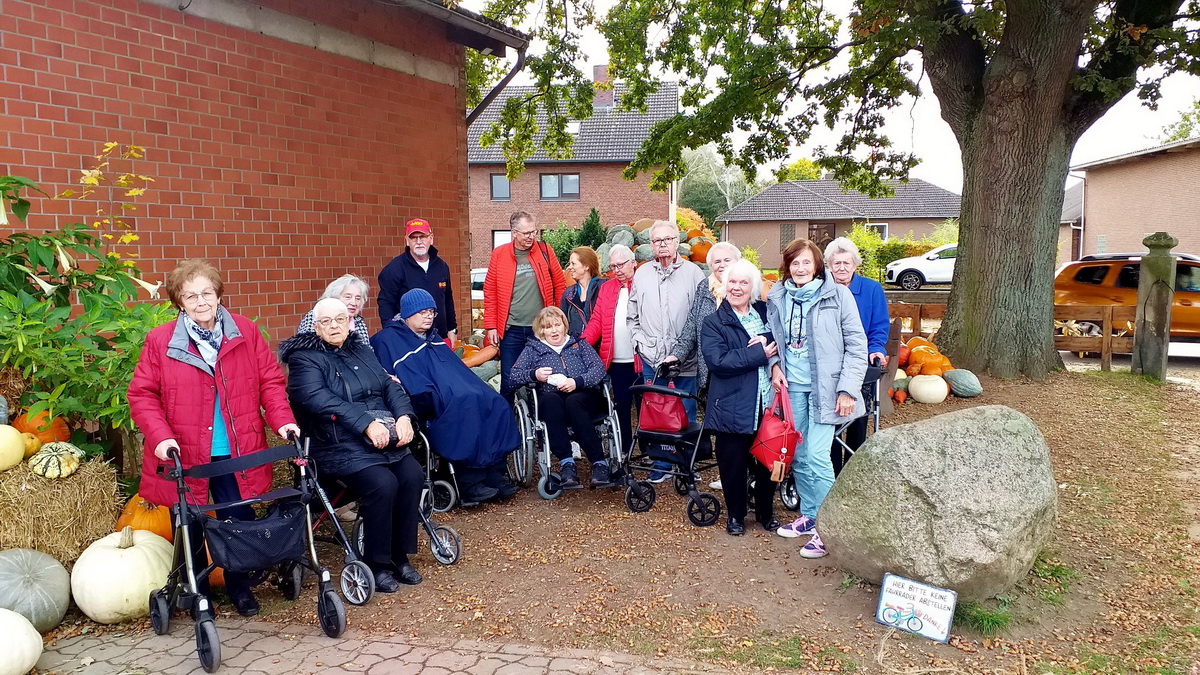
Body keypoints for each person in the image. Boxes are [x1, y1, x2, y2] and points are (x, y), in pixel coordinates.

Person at [128, 259, 300, 617]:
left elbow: (270, 382)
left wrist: (283, 421)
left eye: (206, 292)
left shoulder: (245, 331)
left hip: (238, 449)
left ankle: (240, 588)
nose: (200, 301)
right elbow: (142, 394)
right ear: (179, 302)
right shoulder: (161, 341)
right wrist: (160, 437)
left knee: (237, 518)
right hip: (186, 452)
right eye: (190, 296)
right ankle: (197, 592)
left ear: (219, 294)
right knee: (189, 524)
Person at [279, 298, 424, 592]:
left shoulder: (360, 348)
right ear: (316, 326)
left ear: (350, 322)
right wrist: (365, 423)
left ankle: (399, 556)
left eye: (340, 319)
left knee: (412, 475)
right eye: (326, 321)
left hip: (380, 437)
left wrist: (405, 417)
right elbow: (319, 399)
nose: (334, 326)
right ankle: (377, 563)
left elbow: (388, 385)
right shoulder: (303, 358)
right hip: (334, 443)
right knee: (382, 484)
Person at [766, 238, 867, 559]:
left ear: (817, 265)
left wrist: (848, 389)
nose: (800, 268)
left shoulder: (837, 295)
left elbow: (856, 344)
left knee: (817, 454)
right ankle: (809, 515)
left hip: (828, 389)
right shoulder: (778, 296)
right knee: (796, 454)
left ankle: (828, 527)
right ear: (787, 266)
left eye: (806, 262)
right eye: (795, 263)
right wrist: (774, 366)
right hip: (792, 387)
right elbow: (774, 339)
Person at [372, 288, 519, 503]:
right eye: (423, 312)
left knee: (495, 402)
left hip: (456, 390)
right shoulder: (388, 340)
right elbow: (399, 378)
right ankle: (468, 481)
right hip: (425, 398)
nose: (429, 316)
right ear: (408, 313)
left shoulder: (432, 338)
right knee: (465, 405)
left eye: (432, 311)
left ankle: (494, 473)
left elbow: (453, 370)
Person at [700, 259, 781, 536]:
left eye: (743, 282)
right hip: (732, 403)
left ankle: (765, 512)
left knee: (768, 461)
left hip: (766, 401)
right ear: (724, 286)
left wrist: (767, 338)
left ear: (753, 287)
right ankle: (735, 514)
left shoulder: (766, 313)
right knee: (732, 464)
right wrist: (762, 353)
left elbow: (782, 337)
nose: (737, 287)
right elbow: (719, 361)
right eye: (732, 282)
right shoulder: (713, 323)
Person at [627, 220, 706, 482]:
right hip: (652, 356)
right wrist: (638, 342)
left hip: (686, 357)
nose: (662, 245)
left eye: (667, 239)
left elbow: (700, 318)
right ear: (650, 245)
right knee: (657, 412)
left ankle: (685, 466)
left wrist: (689, 349)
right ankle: (661, 463)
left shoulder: (694, 273)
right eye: (657, 240)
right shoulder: (642, 274)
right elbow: (632, 315)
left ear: (677, 242)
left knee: (685, 411)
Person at [510, 307, 610, 488]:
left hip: (583, 394)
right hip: (551, 396)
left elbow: (599, 369)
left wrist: (577, 381)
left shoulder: (579, 344)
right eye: (548, 327)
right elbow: (514, 376)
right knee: (550, 401)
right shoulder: (533, 349)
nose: (554, 330)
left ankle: (599, 463)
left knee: (574, 402)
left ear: (564, 326)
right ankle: (567, 463)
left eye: (557, 325)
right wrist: (535, 374)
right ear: (541, 330)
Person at [484, 211, 568, 397]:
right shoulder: (499, 255)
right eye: (526, 233)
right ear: (514, 233)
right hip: (511, 329)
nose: (531, 237)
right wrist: (490, 326)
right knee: (508, 380)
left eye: (534, 232)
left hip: (540, 329)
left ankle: (539, 421)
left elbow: (559, 283)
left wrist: (557, 316)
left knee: (543, 377)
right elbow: (490, 291)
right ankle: (508, 422)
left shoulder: (545, 251)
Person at [825, 237, 890, 474]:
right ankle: (830, 471)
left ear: (855, 264)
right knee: (829, 419)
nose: (841, 267)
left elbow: (880, 326)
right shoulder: (822, 288)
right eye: (836, 263)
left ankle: (852, 471)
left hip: (859, 362)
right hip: (829, 363)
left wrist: (876, 349)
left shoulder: (871, 289)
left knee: (857, 418)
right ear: (829, 265)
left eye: (846, 263)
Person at [580, 244, 638, 460]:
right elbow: (597, 320)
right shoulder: (607, 288)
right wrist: (582, 344)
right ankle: (626, 449)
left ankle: (651, 450)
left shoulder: (642, 284)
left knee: (646, 406)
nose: (617, 270)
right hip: (617, 359)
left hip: (641, 359)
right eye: (613, 266)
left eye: (621, 265)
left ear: (633, 262)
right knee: (621, 405)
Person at [377, 218, 458, 343]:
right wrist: (391, 335)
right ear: (407, 241)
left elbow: (447, 299)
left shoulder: (441, 266)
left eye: (423, 237)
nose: (419, 241)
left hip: (440, 336)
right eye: (414, 238)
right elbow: (386, 303)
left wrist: (452, 329)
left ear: (431, 238)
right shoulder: (394, 268)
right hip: (408, 339)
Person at [296, 275, 373, 347]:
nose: (353, 303)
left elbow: (367, 352)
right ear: (334, 297)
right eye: (348, 297)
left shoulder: (359, 322)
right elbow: (306, 349)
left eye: (358, 298)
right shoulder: (316, 316)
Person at [561, 246, 604, 337]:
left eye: (573, 264)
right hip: (577, 347)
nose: (569, 267)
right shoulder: (568, 294)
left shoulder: (603, 288)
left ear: (586, 266)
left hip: (600, 346)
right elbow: (563, 325)